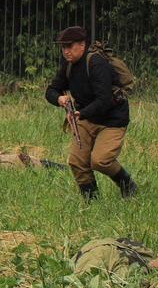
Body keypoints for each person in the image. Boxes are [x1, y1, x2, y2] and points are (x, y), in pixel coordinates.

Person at [44, 25, 138, 201]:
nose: (66, 51)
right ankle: (92, 200)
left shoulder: (96, 64)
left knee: (99, 161)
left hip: (112, 119)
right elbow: (51, 90)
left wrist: (81, 113)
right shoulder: (69, 65)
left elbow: (104, 101)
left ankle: (127, 184)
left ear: (82, 45)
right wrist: (59, 99)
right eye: (63, 47)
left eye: (70, 46)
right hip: (86, 116)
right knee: (77, 161)